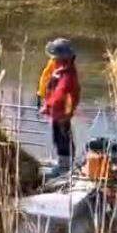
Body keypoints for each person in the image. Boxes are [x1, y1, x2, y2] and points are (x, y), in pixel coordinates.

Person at [36, 38, 80, 177]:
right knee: (62, 136)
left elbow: (59, 96)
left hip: (61, 113)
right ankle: (64, 163)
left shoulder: (67, 76)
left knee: (61, 138)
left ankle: (64, 167)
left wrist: (47, 107)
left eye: (55, 57)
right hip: (61, 112)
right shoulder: (64, 70)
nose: (53, 60)